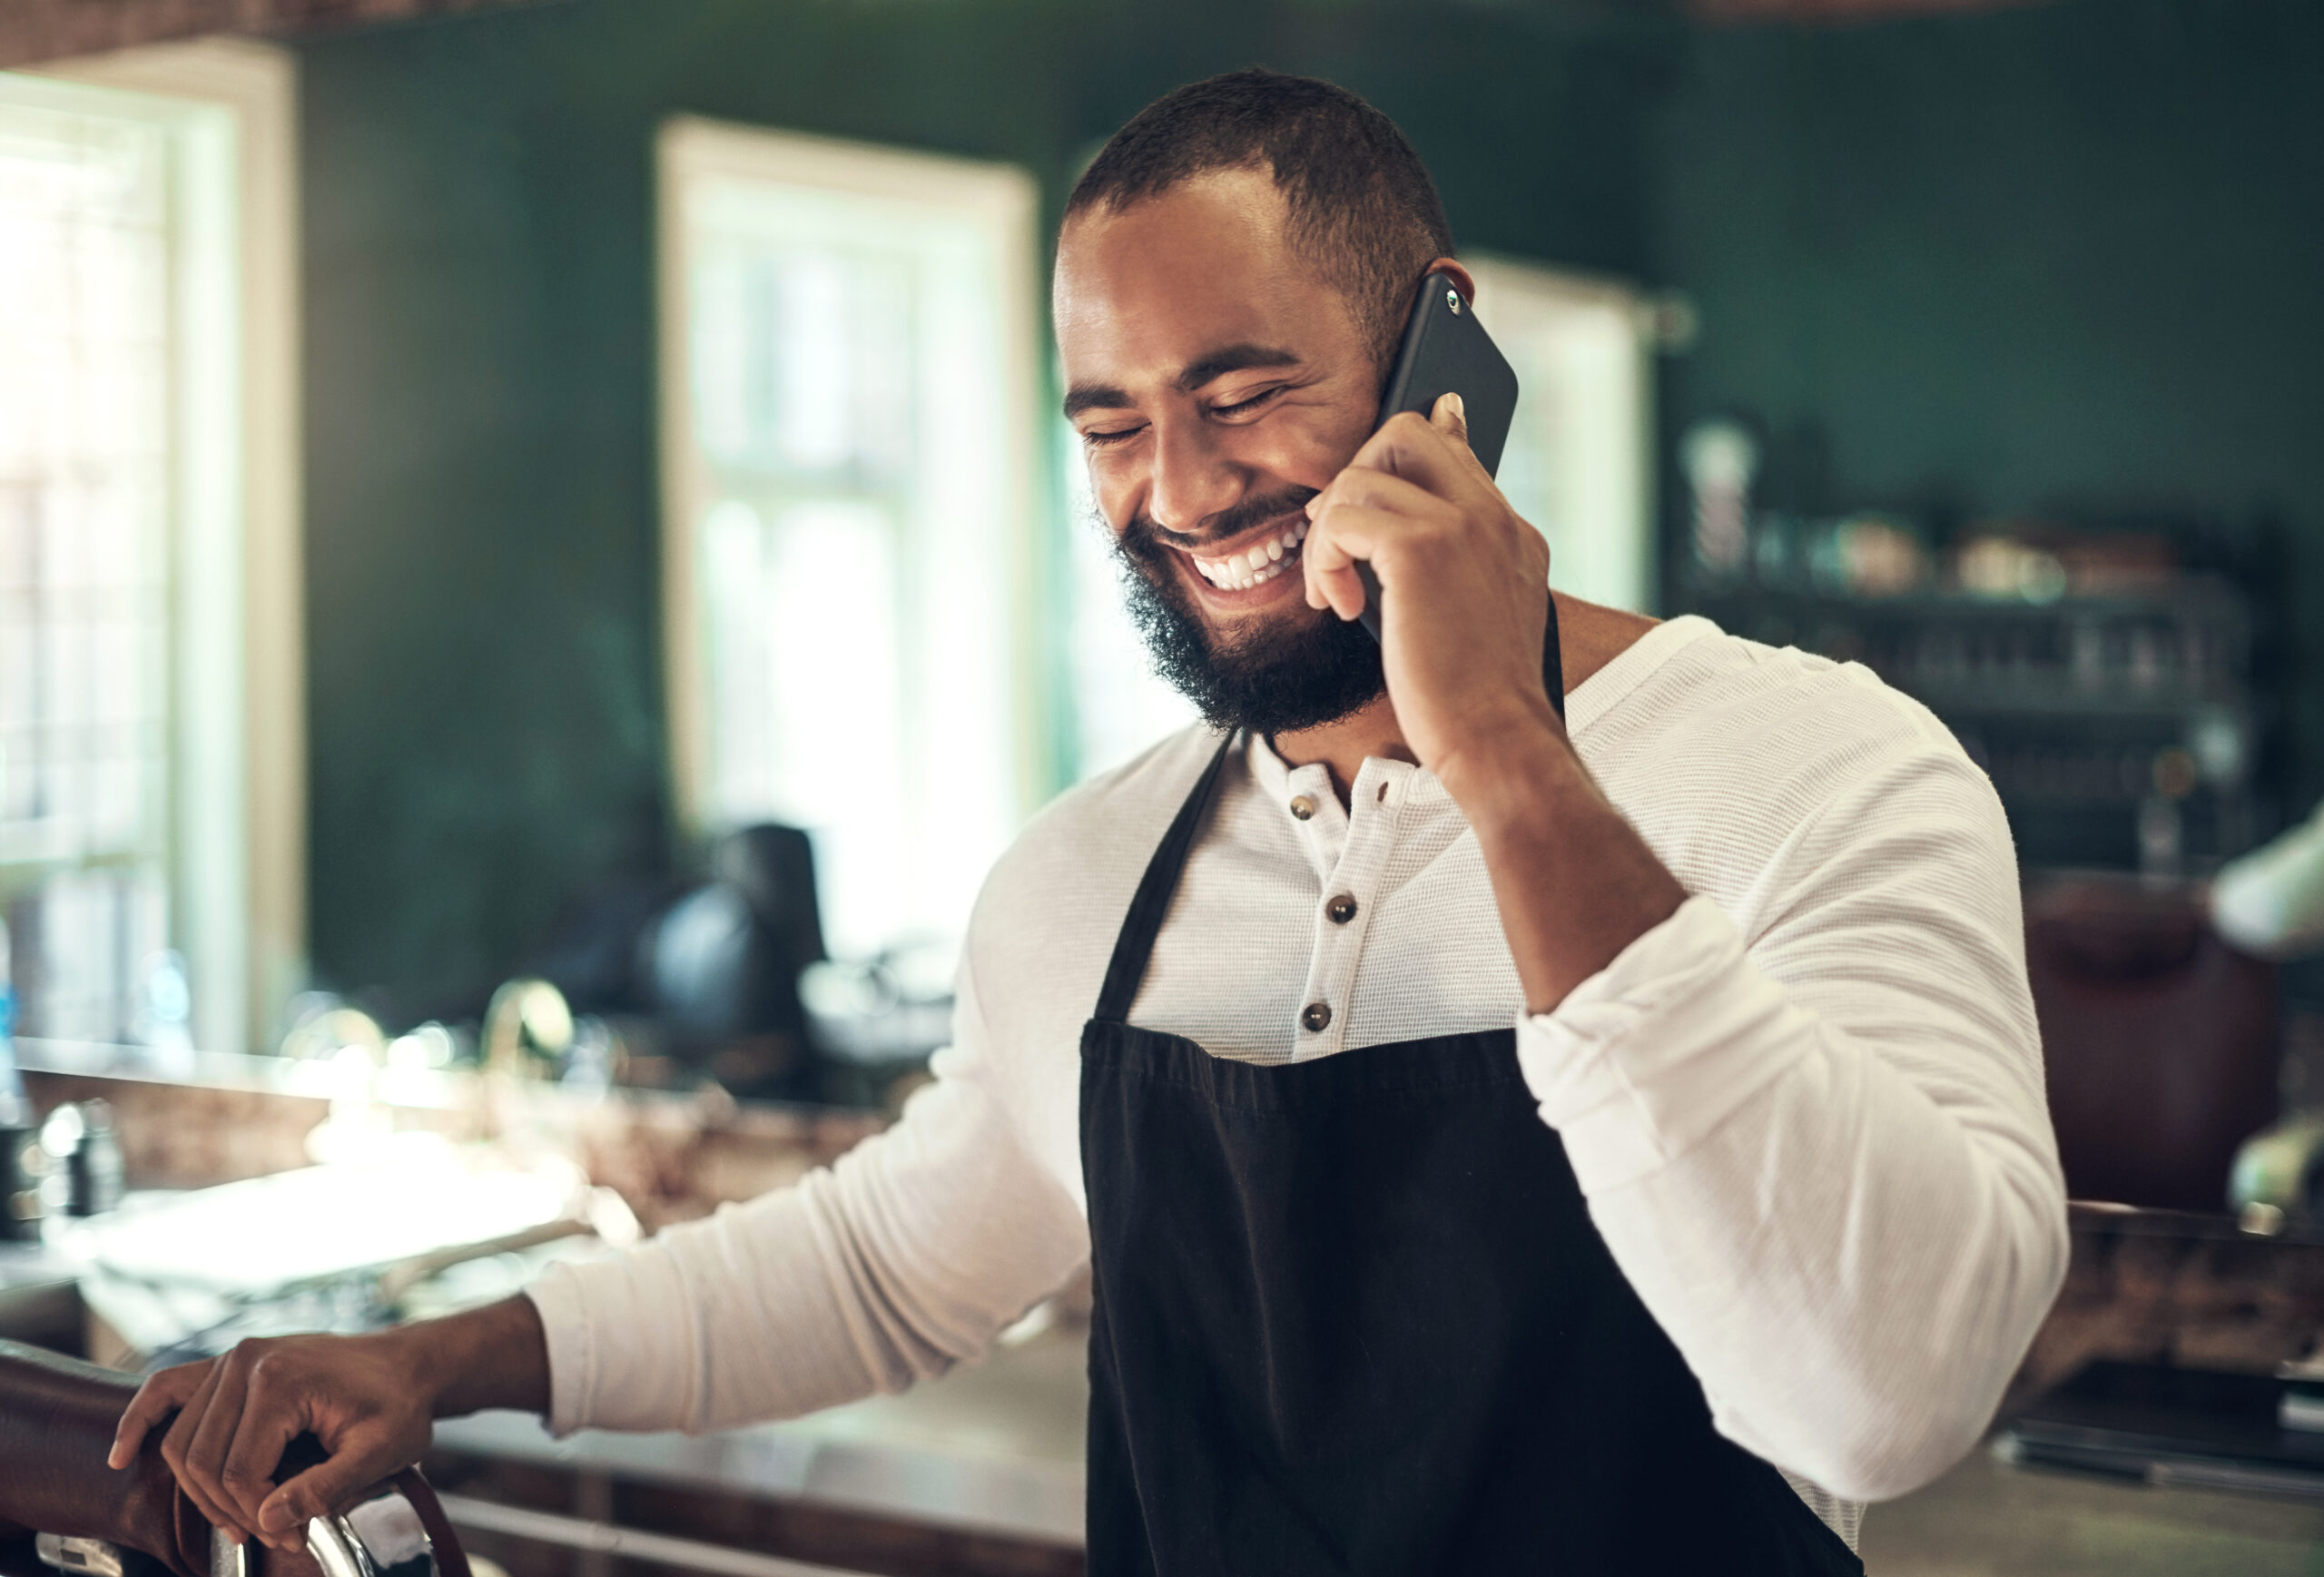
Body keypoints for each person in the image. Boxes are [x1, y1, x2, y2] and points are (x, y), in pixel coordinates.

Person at [112, 68, 2066, 1573]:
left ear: (1437, 355)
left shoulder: (1822, 773)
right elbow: (885, 1260)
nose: (1182, 489)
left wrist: (1496, 745)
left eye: (1241, 390)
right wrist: (438, 1362)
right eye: (1111, 423)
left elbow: (1882, 1398)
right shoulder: (1084, 881)